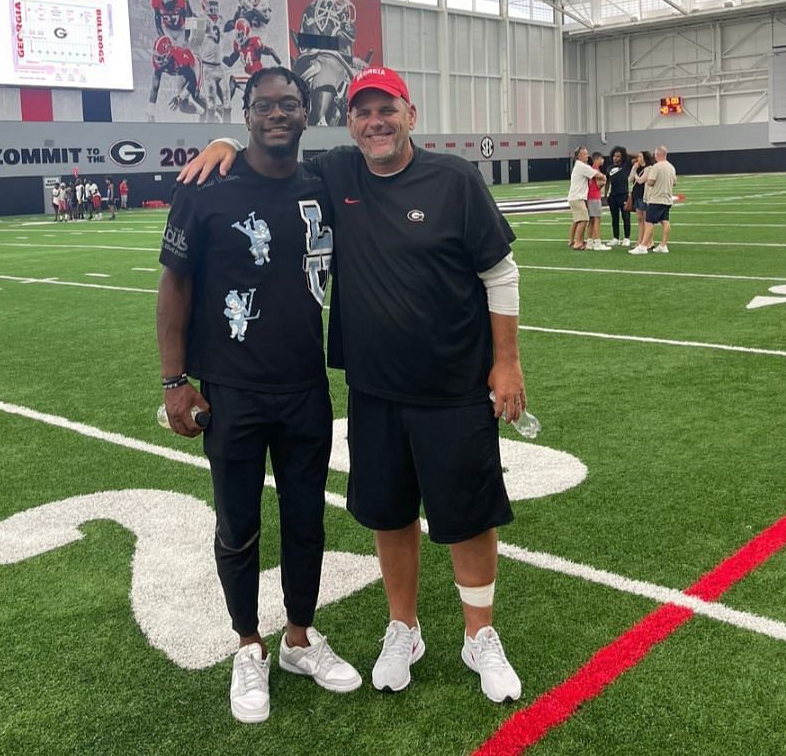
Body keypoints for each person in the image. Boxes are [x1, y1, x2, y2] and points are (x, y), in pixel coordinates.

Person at [179, 66, 527, 705]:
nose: (376, 122)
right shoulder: (336, 174)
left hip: (453, 382)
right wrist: (226, 146)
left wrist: (506, 363)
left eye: (386, 109)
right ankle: (404, 629)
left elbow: (500, 273)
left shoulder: (455, 178)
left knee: (469, 513)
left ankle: (480, 635)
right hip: (373, 388)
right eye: (363, 112)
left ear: (410, 114)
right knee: (390, 512)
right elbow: (271, 147)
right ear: (349, 124)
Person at [156, 67, 361, 724]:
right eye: (265, 105)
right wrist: (174, 381)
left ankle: (300, 637)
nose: (279, 114)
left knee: (307, 522)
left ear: (307, 113)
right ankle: (248, 644)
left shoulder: (323, 182)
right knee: (238, 527)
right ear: (246, 114)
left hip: (306, 386)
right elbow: (174, 289)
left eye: (290, 104)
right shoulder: (208, 189)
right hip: (233, 391)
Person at [632, 145, 678, 254]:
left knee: (649, 223)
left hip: (656, 199)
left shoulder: (656, 167)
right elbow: (675, 183)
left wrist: (647, 180)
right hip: (667, 199)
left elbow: (651, 182)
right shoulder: (671, 167)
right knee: (665, 222)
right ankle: (663, 245)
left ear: (658, 155)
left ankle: (643, 246)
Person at [565, 146, 602, 250]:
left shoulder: (579, 165)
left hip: (574, 196)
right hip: (577, 197)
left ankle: (572, 241)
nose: (587, 156)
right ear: (579, 156)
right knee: (584, 219)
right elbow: (597, 175)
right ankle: (578, 242)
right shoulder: (582, 166)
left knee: (577, 220)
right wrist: (604, 177)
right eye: (585, 154)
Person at [604, 146, 632, 246]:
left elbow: (638, 156)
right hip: (613, 196)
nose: (615, 158)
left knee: (626, 218)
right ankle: (615, 238)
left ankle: (627, 238)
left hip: (623, 195)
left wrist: (626, 154)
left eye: (618, 156)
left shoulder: (626, 165)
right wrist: (605, 195)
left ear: (622, 157)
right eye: (614, 156)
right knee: (614, 218)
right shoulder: (609, 168)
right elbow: (607, 182)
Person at [585, 152, 609, 250]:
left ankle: (590, 241)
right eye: (601, 159)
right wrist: (604, 181)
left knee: (591, 220)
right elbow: (599, 184)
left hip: (590, 196)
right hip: (594, 196)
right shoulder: (595, 169)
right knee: (597, 219)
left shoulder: (592, 169)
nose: (603, 160)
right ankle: (597, 242)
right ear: (597, 159)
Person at [627, 149, 649, 245]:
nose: (638, 159)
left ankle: (647, 241)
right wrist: (634, 169)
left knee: (646, 220)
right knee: (640, 220)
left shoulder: (648, 168)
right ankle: (640, 240)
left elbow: (640, 180)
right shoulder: (636, 167)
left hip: (644, 196)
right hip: (636, 195)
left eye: (640, 157)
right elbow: (630, 179)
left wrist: (635, 173)